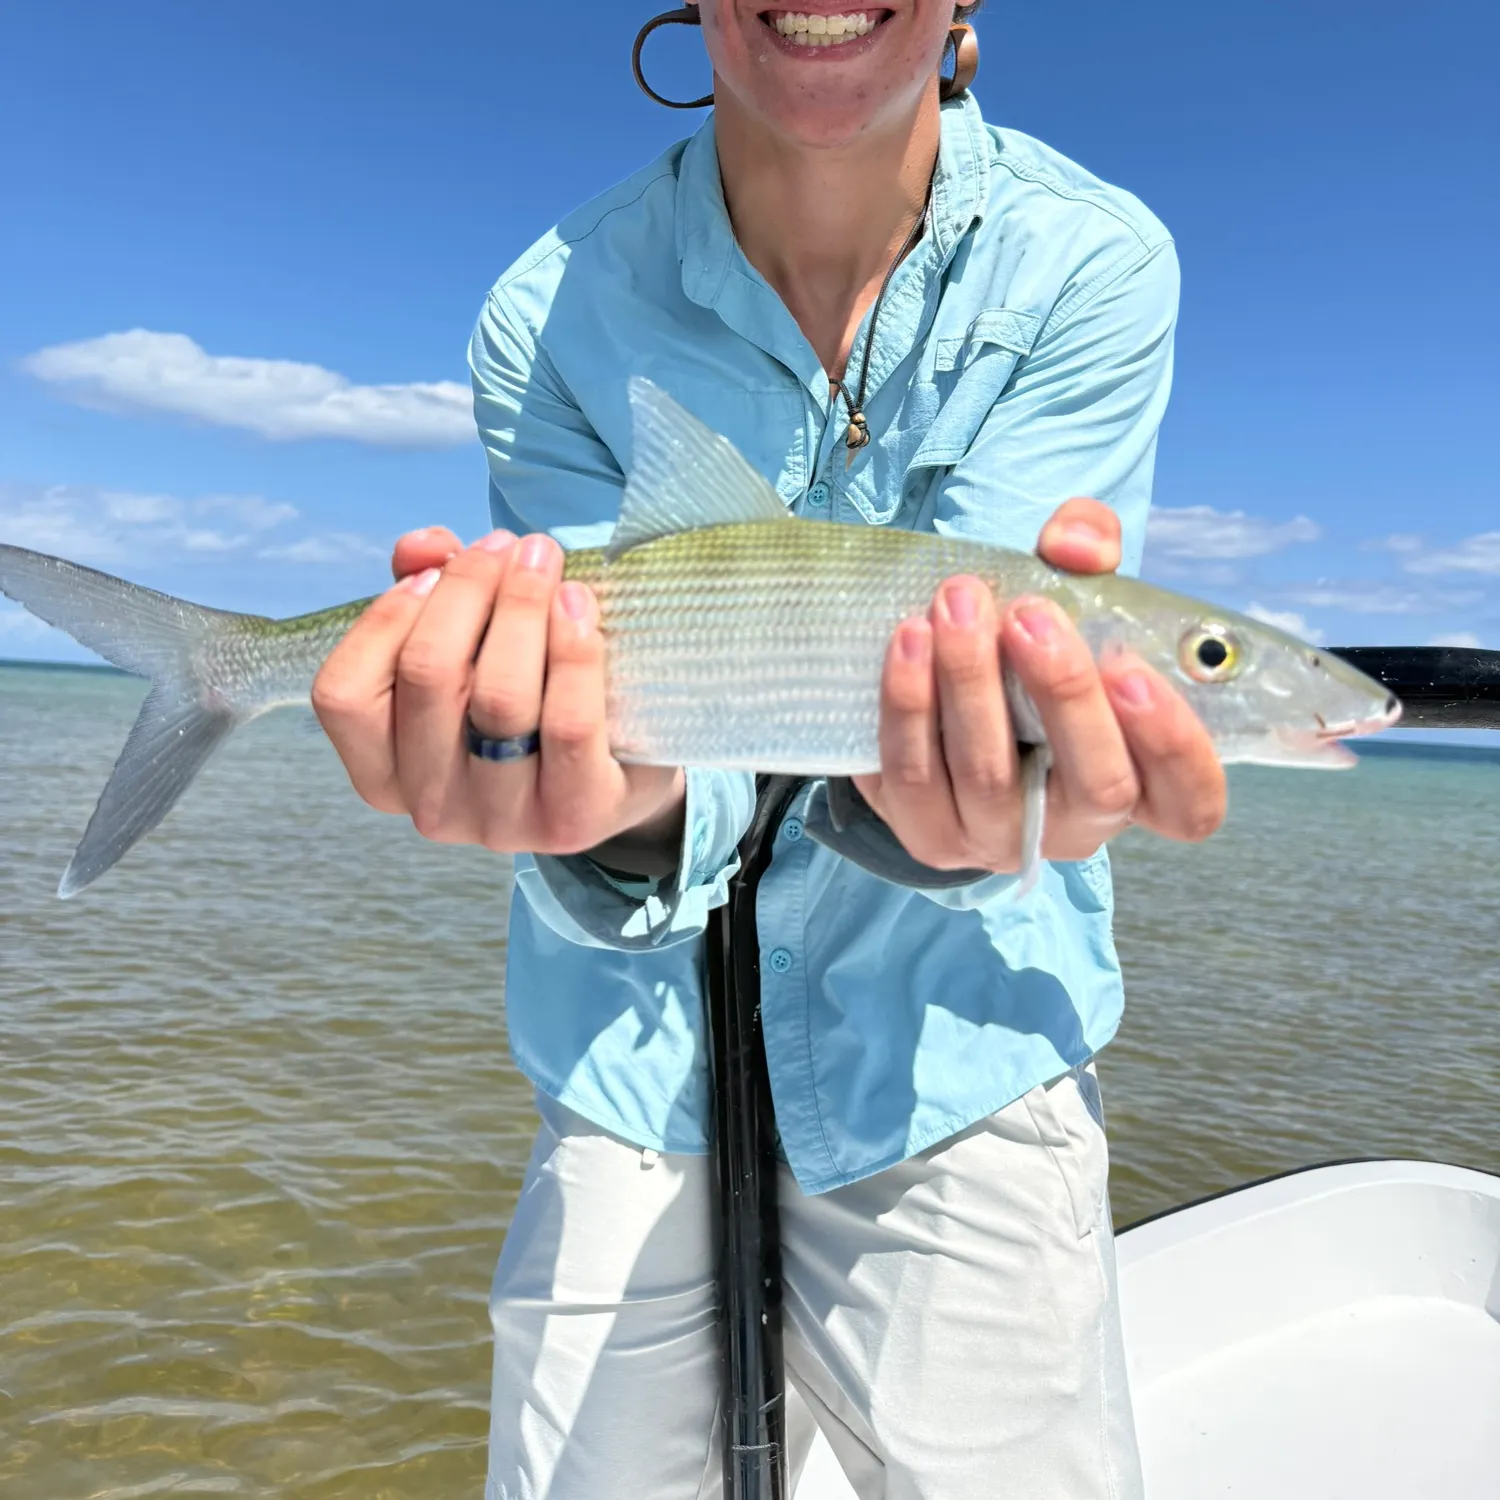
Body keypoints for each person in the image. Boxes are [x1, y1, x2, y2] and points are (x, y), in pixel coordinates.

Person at [311, 3, 1227, 1496]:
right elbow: (638, 705)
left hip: (965, 1038)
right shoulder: (544, 309)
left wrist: (970, 805)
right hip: (631, 1048)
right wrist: (610, 812)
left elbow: (986, 688)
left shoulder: (1096, 263)